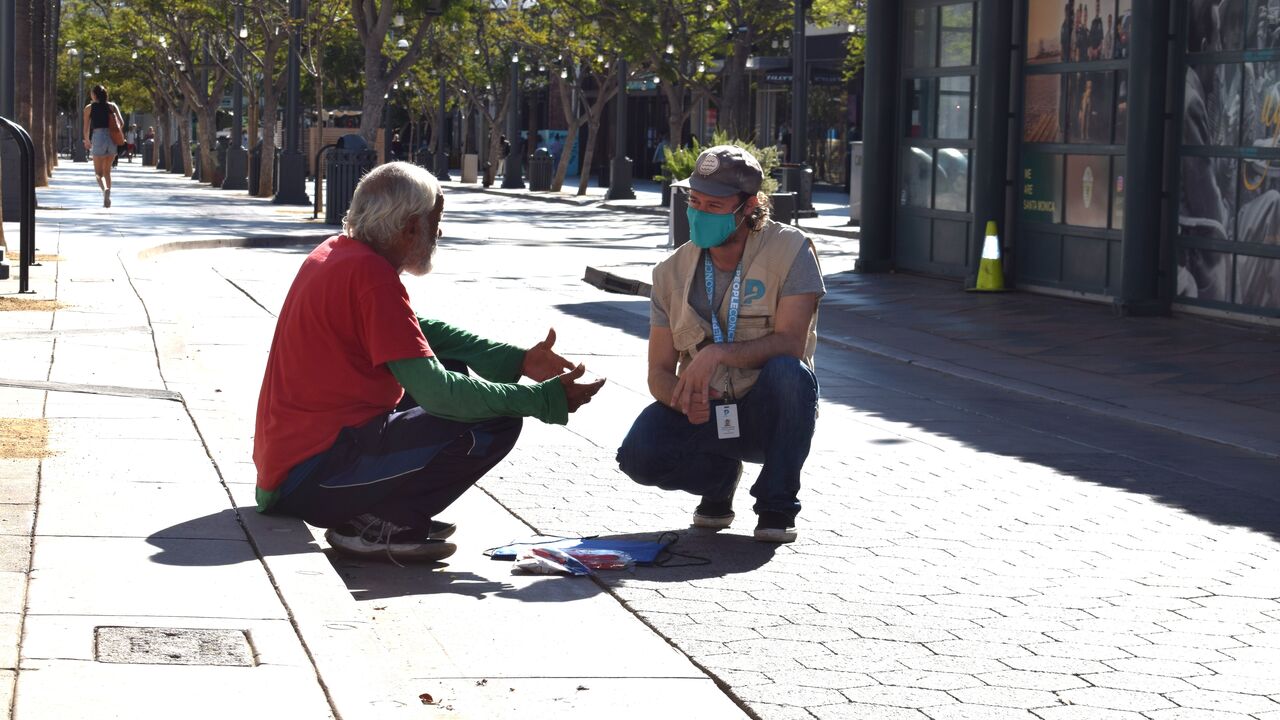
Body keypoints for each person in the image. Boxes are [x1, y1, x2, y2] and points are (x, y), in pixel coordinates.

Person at [253, 162, 605, 562]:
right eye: (435, 220)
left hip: (289, 472)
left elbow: (418, 332)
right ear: (409, 227)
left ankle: (384, 511)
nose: (439, 232)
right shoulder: (370, 275)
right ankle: (383, 520)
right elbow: (441, 396)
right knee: (497, 417)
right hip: (310, 480)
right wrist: (543, 400)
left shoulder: (338, 253)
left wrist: (516, 359)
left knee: (453, 366)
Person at [616, 146, 824, 543]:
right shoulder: (669, 272)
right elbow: (658, 372)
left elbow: (792, 343)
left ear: (749, 207)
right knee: (637, 457)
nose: (698, 213)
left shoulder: (793, 251)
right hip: (707, 412)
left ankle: (776, 505)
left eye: (714, 205)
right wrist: (680, 398)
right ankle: (719, 479)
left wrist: (717, 353)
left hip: (768, 413)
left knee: (789, 374)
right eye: (694, 201)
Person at [82, 84, 124, 208]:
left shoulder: (89, 108)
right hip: (111, 138)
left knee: (98, 173)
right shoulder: (112, 106)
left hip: (98, 136)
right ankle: (108, 194)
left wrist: (87, 140)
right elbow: (121, 123)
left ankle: (105, 190)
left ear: (94, 95)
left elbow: (86, 127)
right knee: (107, 171)